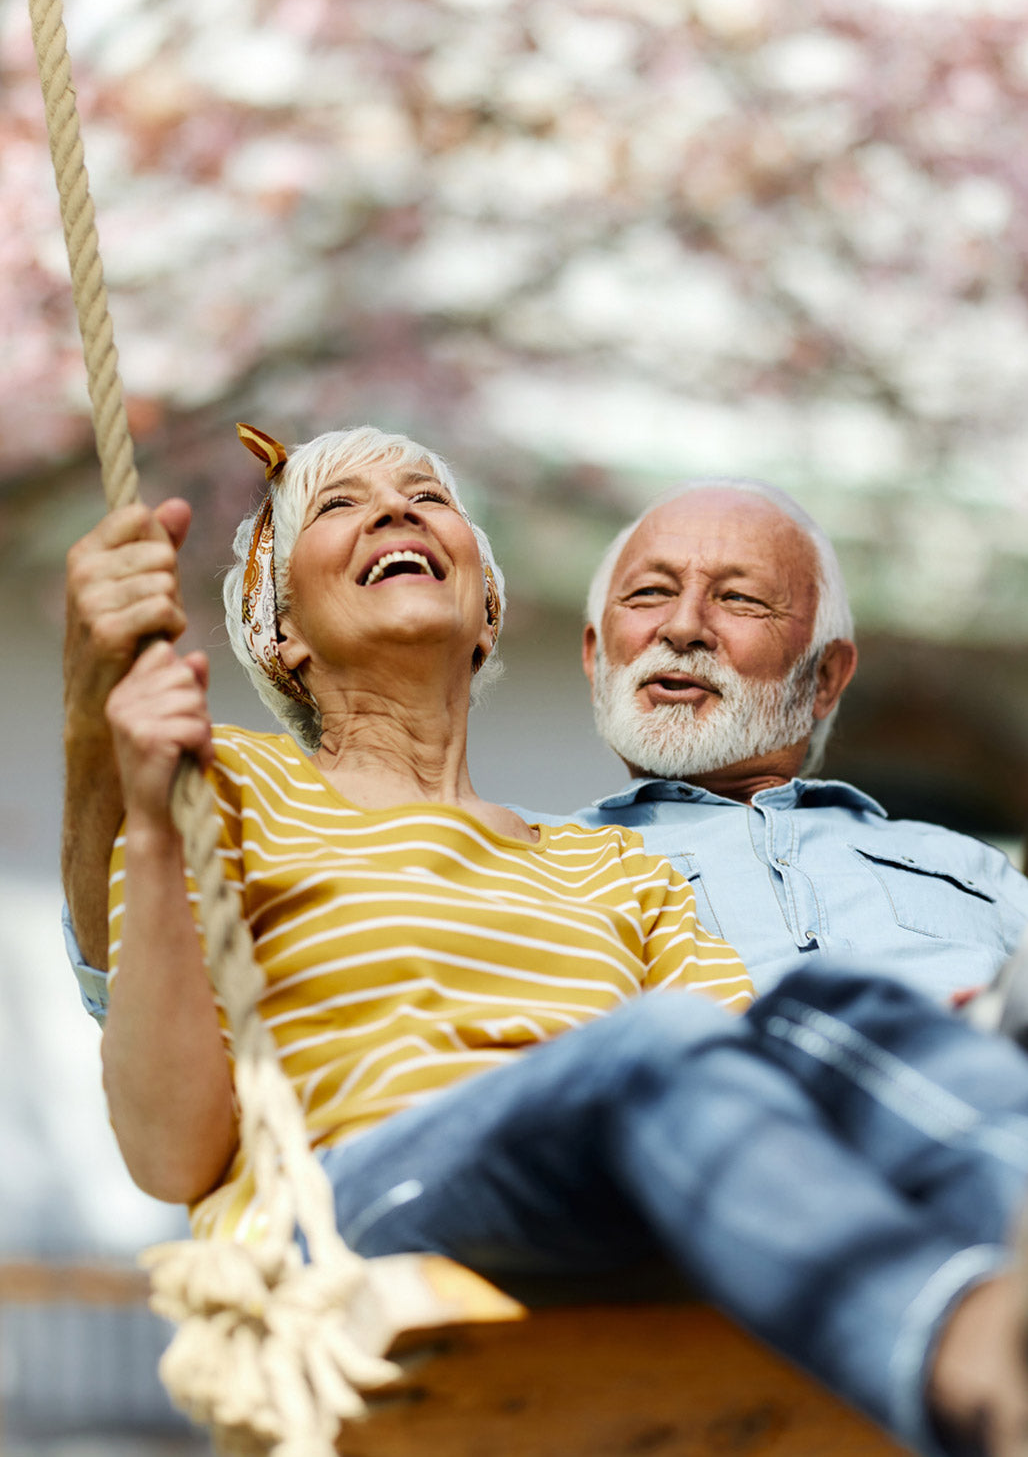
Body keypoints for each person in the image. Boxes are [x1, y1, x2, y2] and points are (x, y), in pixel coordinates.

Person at [96, 423, 1028, 1457]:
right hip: (355, 1204)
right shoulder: (219, 778)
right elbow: (168, 1149)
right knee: (640, 1049)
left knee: (832, 1013)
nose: (395, 510)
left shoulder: (613, 866)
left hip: (584, 1197)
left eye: (423, 494)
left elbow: (763, 1071)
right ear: (279, 632)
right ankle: (965, 1361)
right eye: (337, 504)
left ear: (487, 609)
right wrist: (141, 818)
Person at [513, 479, 1028, 999]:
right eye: (650, 592)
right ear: (596, 658)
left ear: (824, 677)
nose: (683, 626)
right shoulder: (518, 857)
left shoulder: (972, 867)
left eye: (739, 598)